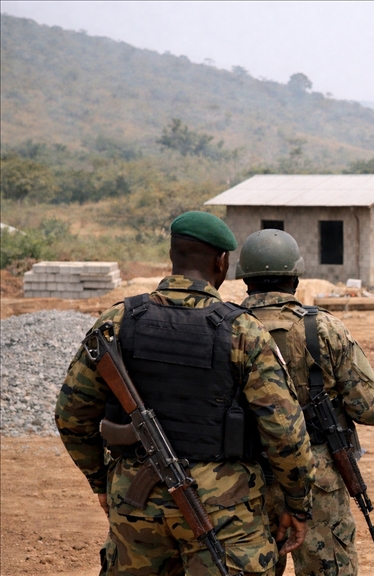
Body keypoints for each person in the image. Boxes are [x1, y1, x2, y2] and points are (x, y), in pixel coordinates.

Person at [55, 211, 315, 575]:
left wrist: (101, 480)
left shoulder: (118, 321)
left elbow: (71, 414)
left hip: (136, 501)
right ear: (222, 262)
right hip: (224, 509)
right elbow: (285, 432)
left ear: (173, 258)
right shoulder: (244, 331)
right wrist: (298, 502)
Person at [236, 229, 374, 576]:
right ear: (295, 277)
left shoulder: (224, 327)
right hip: (316, 478)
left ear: (244, 280)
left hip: (243, 478)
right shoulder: (324, 329)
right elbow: (371, 409)